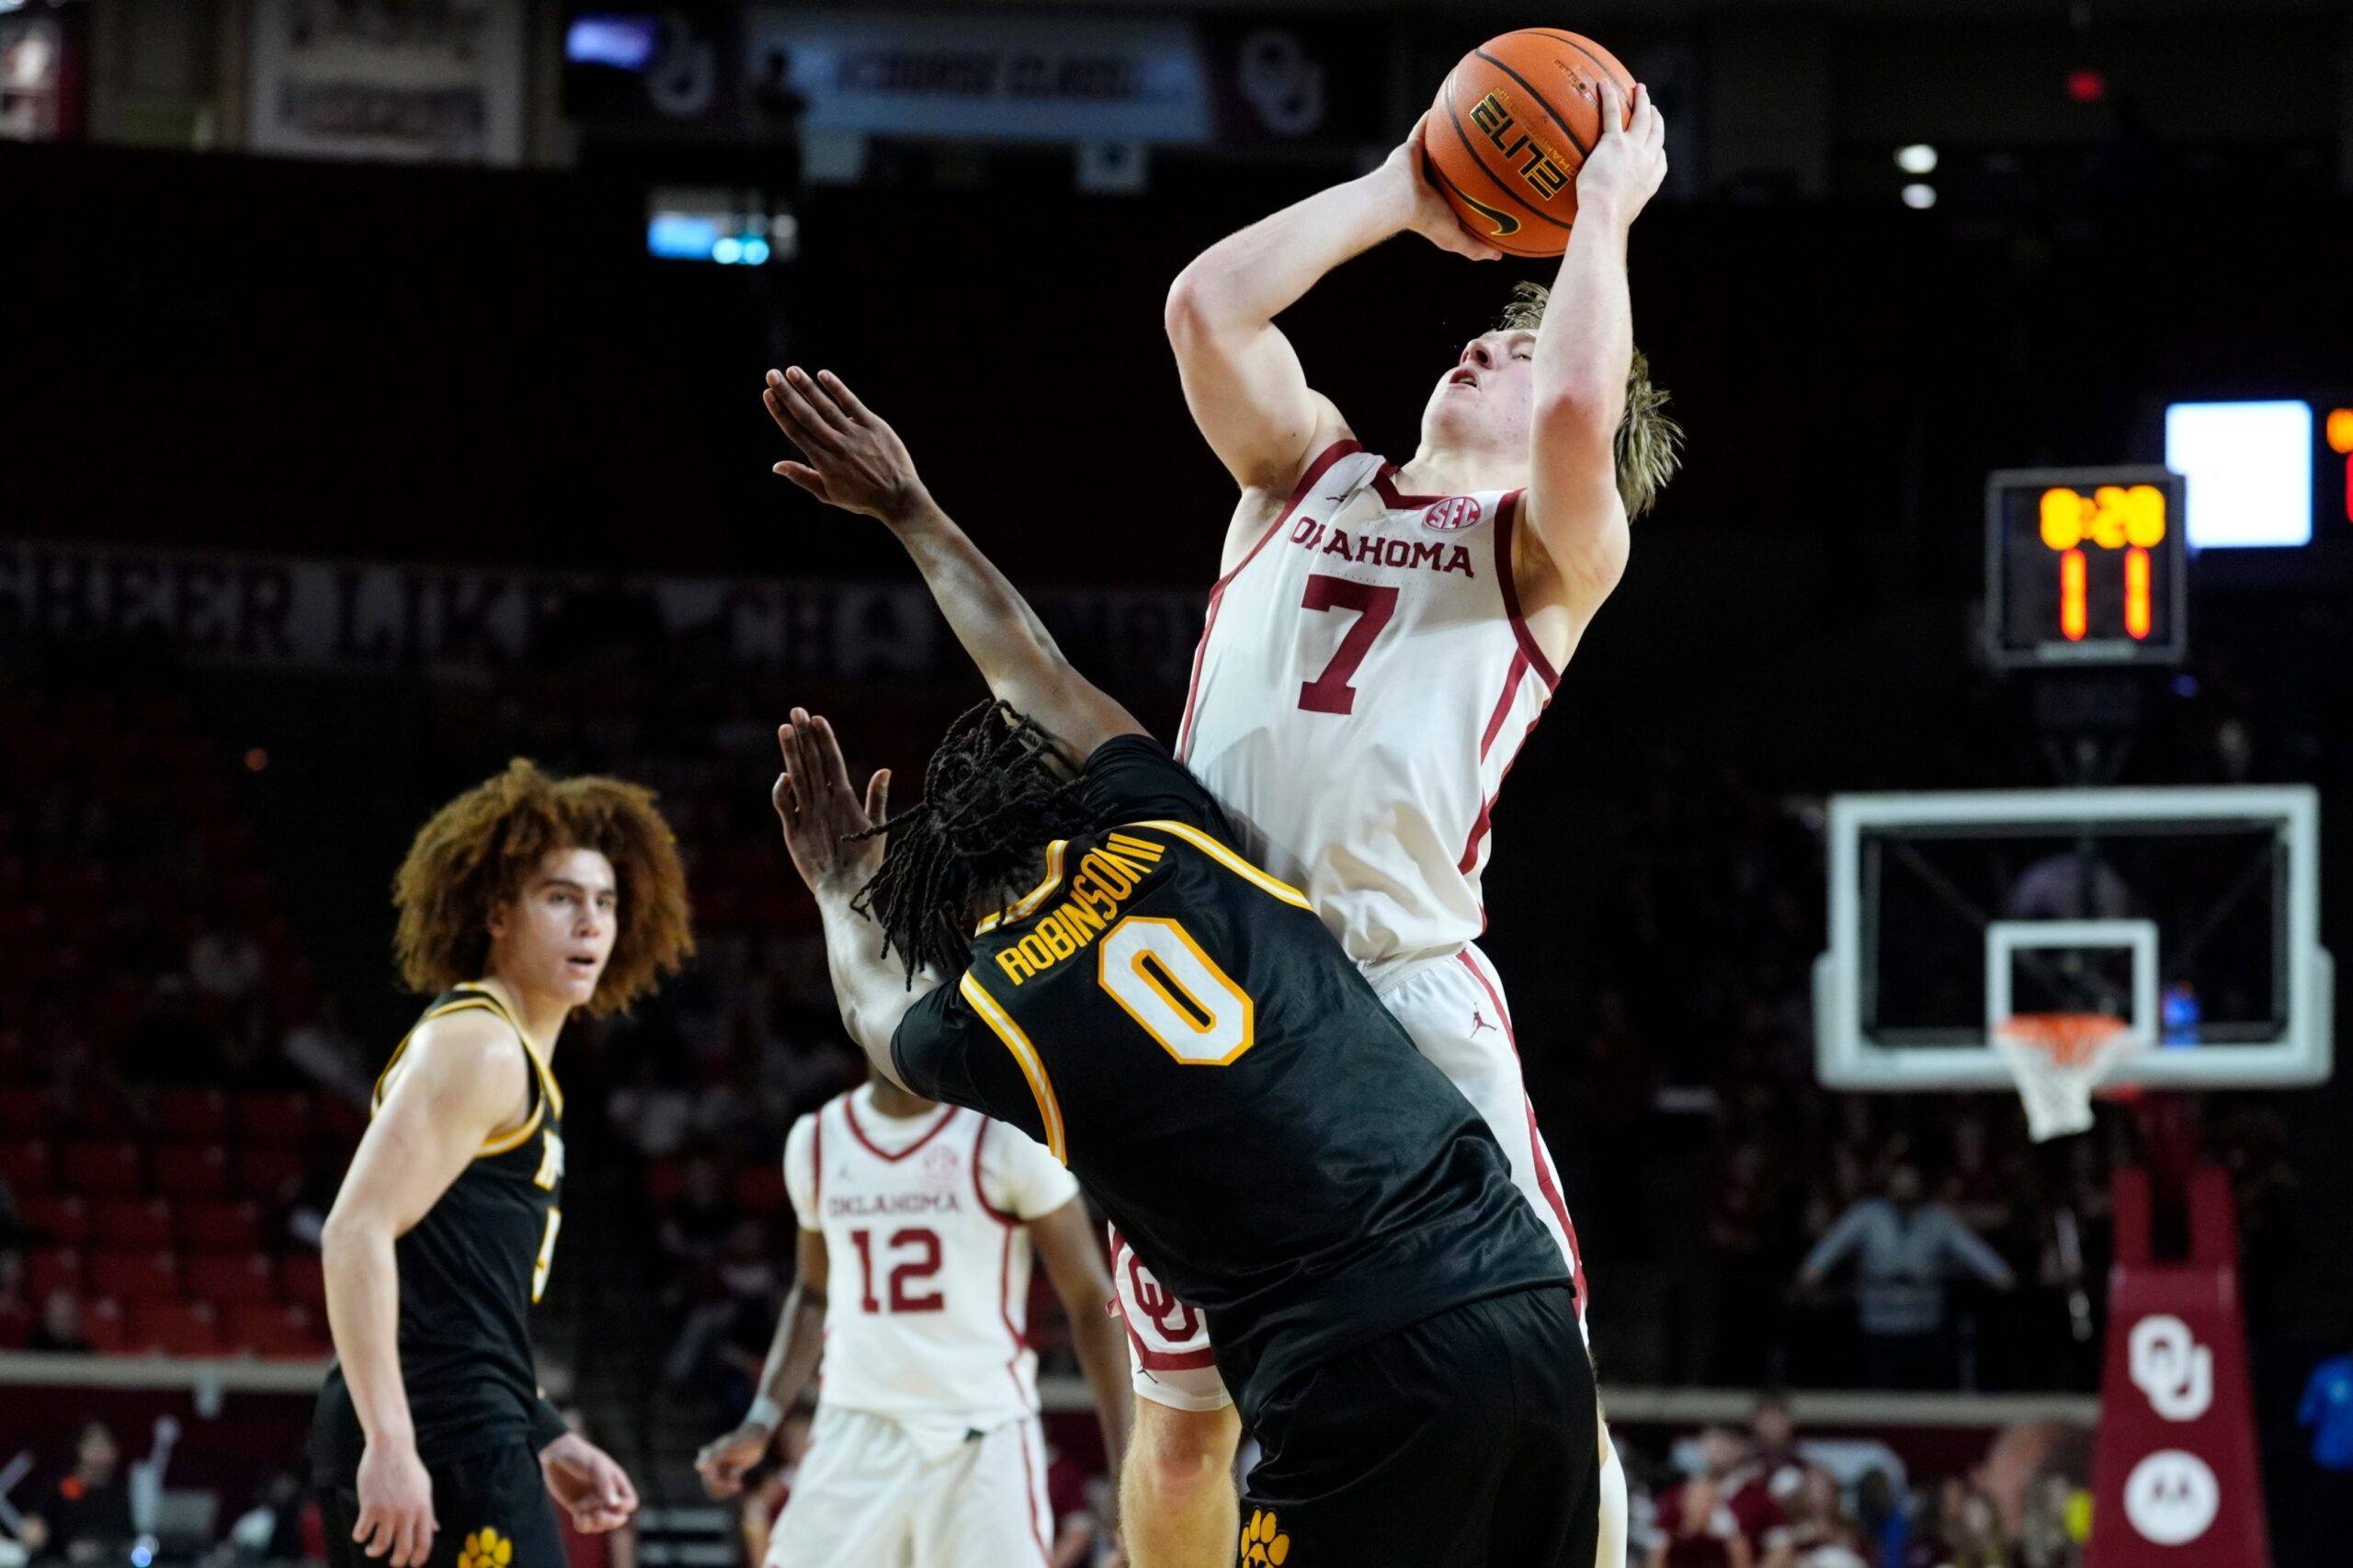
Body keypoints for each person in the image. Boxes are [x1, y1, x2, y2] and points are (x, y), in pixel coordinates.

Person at [755, 364, 1598, 1564]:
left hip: (1352, 1361)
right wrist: (912, 511)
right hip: (1509, 1283)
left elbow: (876, 1010)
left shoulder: (1010, 1015)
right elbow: (1035, 673)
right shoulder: (1169, 836)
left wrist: (842, 890)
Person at [1132, 74, 1680, 1559]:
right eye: (1481, 331)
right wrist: (1398, 189)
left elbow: (1578, 395)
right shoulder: (1297, 475)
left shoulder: (1551, 554)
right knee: (1185, 1420)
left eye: (1513, 345)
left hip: (1403, 995)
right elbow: (1204, 308)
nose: (1482, 347)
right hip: (1213, 997)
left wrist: (1600, 217)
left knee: (1543, 1359)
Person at [311, 761, 696, 1568]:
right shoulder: (479, 1044)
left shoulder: (513, 1057)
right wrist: (389, 1442)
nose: (591, 923)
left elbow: (457, 1299)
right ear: (496, 913)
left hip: (472, 1426)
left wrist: (546, 1433)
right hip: (441, 1434)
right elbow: (354, 1231)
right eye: (561, 898)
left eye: (606, 902)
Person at [691, 1076, 1132, 1567]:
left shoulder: (1004, 1135)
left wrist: (1129, 1473)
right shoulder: (816, 1139)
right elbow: (813, 1295)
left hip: (980, 1435)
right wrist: (761, 1420)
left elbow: (1094, 1301)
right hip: (855, 1426)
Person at [1795, 1162, 2017, 1390]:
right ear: (1888, 1186)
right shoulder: (1867, 1214)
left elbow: (1978, 1255)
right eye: (1899, 1184)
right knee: (1881, 1393)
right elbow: (1826, 1252)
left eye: (1911, 1185)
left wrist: (2004, 1279)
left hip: (1925, 1324)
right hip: (1877, 1323)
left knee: (1924, 1394)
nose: (1905, 1191)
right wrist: (1809, 1277)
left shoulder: (1938, 1219)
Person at [19, 1421, 134, 1564]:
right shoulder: (56, 1489)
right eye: (95, 1444)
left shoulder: (122, 1493)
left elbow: (130, 1539)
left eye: (106, 1444)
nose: (101, 1451)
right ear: (79, 1447)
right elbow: (34, 1525)